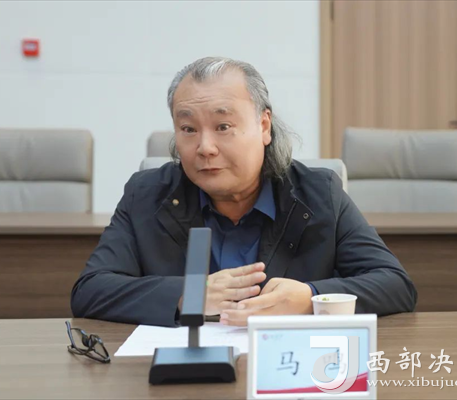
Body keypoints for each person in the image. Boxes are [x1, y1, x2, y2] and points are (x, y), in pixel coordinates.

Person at [71, 57, 417, 327]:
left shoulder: (318, 194)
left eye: (223, 126)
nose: (205, 147)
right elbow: (90, 291)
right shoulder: (146, 194)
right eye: (188, 129)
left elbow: (395, 285)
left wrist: (311, 297)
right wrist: (190, 294)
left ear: (264, 126)